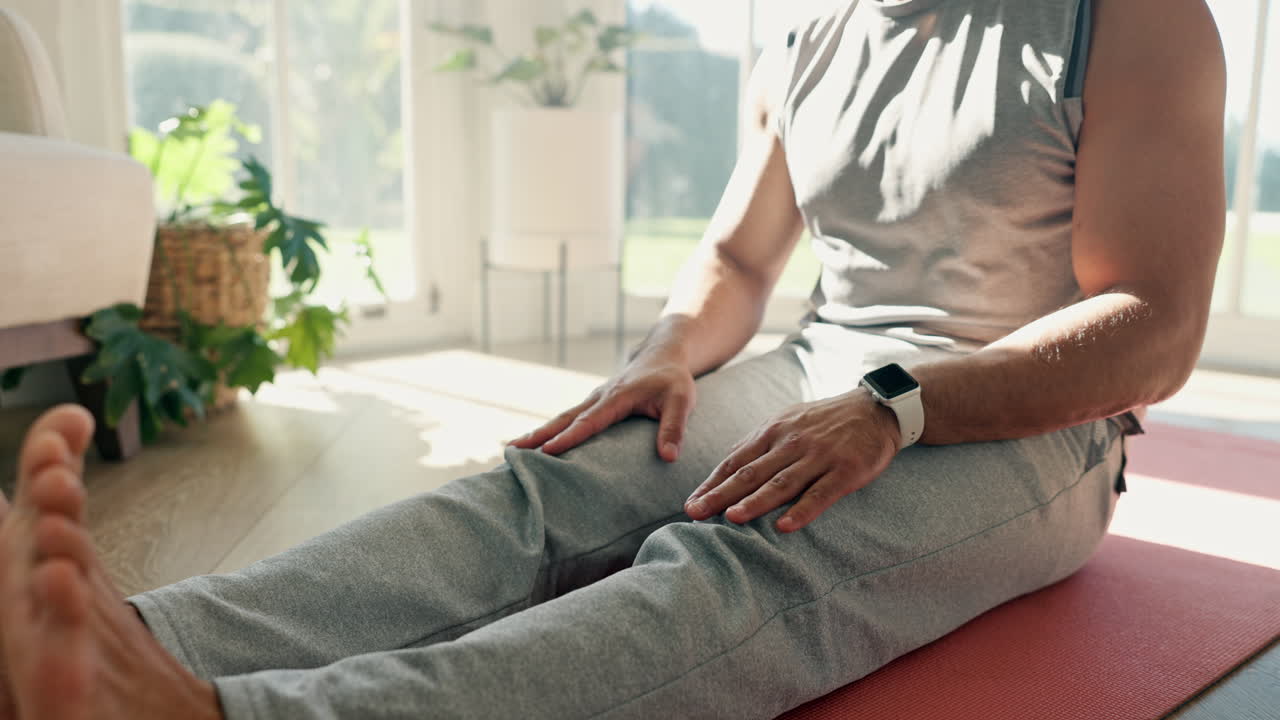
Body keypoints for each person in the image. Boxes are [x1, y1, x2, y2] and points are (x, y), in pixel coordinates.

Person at [0, 0, 1226, 717]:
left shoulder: (1127, 20)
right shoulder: (815, 28)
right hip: (822, 364)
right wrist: (664, 352)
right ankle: (132, 640)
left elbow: (1152, 326)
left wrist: (892, 405)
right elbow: (737, 258)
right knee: (539, 491)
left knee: (738, 559)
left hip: (1022, 423)